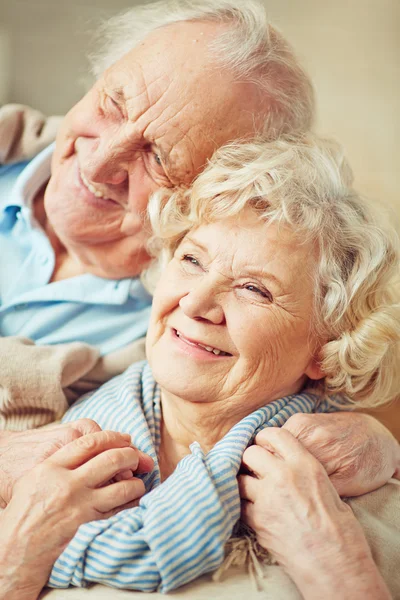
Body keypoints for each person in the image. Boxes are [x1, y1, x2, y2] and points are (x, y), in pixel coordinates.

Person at [0, 0, 398, 514]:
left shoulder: (185, 330)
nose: (98, 163)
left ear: (221, 191)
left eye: (160, 157)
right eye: (113, 104)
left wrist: (381, 441)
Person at [36, 134, 398, 597]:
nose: (197, 303)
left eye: (254, 289)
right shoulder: (48, 435)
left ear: (325, 349)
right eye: (191, 259)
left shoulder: (362, 511)